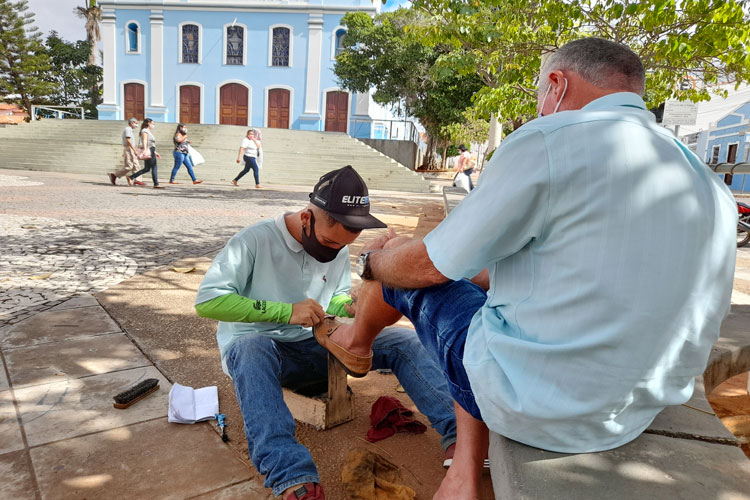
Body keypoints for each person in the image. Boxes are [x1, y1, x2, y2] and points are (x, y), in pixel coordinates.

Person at [311, 38, 737, 500]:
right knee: (482, 302)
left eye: (538, 97)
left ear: (556, 84)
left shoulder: (550, 141)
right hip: (634, 410)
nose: (538, 110)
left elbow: (431, 267)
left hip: (541, 409)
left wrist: (374, 260)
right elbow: (542, 273)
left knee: (401, 270)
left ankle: (356, 341)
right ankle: (464, 467)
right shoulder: (704, 178)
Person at [195, 166, 458, 500]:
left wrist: (351, 304)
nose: (334, 251)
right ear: (307, 218)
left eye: (343, 246)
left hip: (318, 345)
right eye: (329, 242)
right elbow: (208, 301)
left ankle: (458, 435)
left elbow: (332, 297)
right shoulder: (255, 240)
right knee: (250, 346)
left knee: (403, 341)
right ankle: (290, 476)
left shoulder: (335, 247)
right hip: (263, 357)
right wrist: (286, 312)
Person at [108, 117, 145, 186]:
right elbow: (128, 140)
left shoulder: (129, 130)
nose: (137, 125)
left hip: (129, 148)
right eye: (136, 123)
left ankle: (134, 179)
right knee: (133, 165)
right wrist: (133, 150)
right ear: (132, 123)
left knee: (132, 165)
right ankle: (116, 175)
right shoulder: (128, 129)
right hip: (129, 148)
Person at [129, 118, 163, 189]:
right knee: (154, 167)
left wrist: (155, 152)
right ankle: (156, 184)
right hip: (148, 150)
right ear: (148, 123)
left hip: (150, 150)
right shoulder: (145, 131)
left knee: (147, 168)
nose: (153, 125)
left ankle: (131, 177)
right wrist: (145, 149)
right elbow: (144, 140)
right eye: (152, 123)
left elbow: (150, 143)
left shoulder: (147, 131)